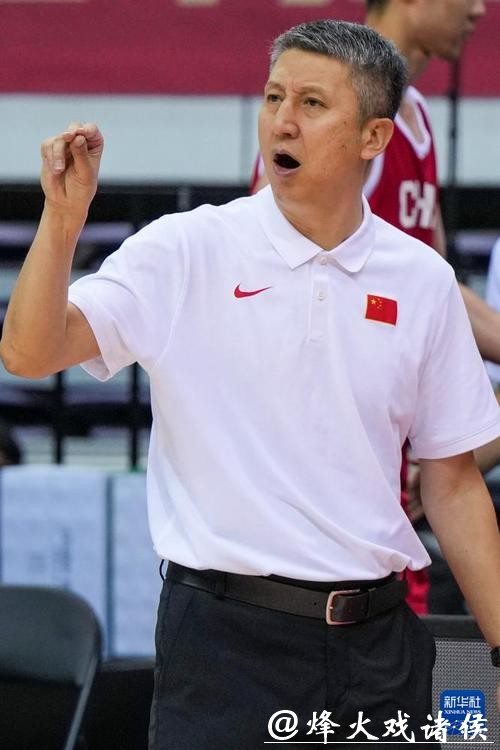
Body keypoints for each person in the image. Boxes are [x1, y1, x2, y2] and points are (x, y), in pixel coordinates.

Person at [1, 19, 500, 749]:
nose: (281, 121)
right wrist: (63, 219)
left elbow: (452, 483)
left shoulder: (422, 279)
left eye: (311, 103)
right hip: (226, 647)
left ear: (374, 137)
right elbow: (28, 352)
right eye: (273, 97)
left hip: (380, 646)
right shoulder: (187, 248)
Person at [252, 0, 499, 617]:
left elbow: (435, 284)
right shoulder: (332, 115)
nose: (478, 10)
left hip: (388, 434)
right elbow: (265, 261)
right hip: (320, 458)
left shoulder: (413, 116)